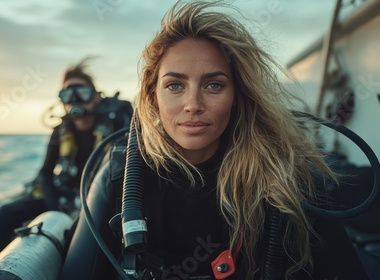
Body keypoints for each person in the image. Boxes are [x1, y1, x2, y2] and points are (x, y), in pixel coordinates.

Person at [60, 1, 369, 279]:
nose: (193, 104)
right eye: (175, 86)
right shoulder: (119, 178)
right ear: (153, 96)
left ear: (238, 95)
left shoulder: (289, 177)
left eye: (214, 85)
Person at [0, 58, 133, 264]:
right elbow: (45, 172)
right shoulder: (60, 131)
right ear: (61, 101)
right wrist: (54, 208)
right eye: (68, 94)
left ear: (96, 97)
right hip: (65, 197)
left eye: (82, 92)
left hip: (100, 198)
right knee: (6, 212)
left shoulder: (117, 123)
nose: (75, 100)